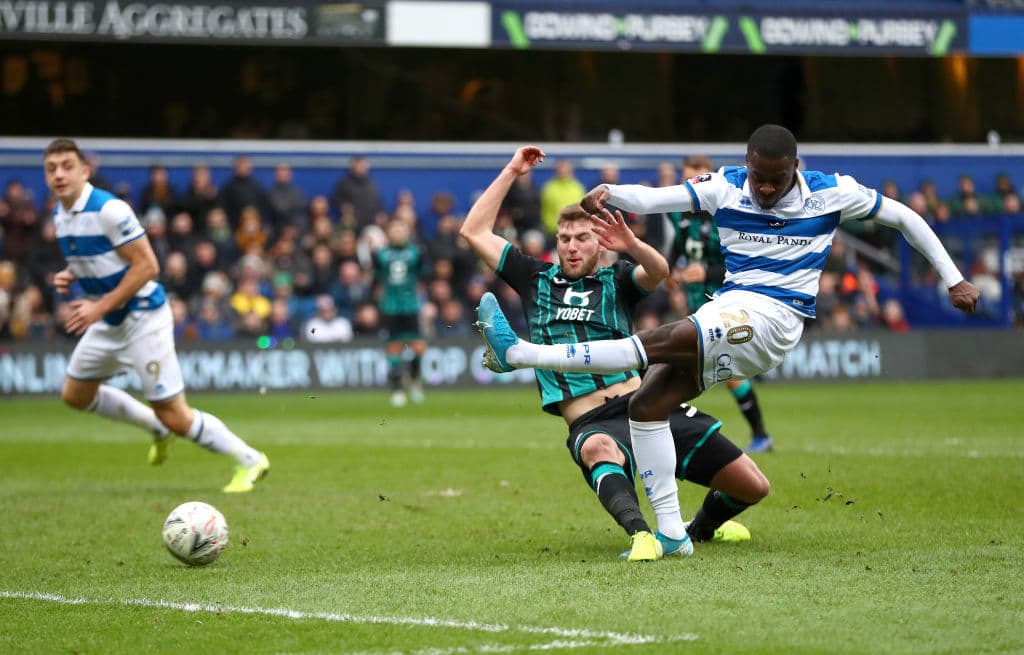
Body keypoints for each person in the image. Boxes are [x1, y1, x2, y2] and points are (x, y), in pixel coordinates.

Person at [476, 126, 980, 559]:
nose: (763, 187)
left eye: (776, 179)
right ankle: (674, 535)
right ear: (746, 164)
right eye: (757, 175)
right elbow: (656, 197)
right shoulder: (727, 185)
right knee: (649, 403)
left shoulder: (833, 192)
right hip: (729, 306)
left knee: (670, 337)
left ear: (796, 168)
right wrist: (610, 190)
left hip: (776, 317)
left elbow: (906, 218)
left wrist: (953, 277)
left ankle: (523, 354)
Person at [461, 146, 769, 561]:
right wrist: (512, 170)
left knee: (752, 486)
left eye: (583, 237)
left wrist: (633, 244)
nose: (572, 246)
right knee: (596, 450)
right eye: (565, 238)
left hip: (647, 403)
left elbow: (659, 272)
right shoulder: (534, 278)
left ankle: (695, 530)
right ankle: (642, 534)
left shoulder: (617, 280)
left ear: (600, 243)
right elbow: (474, 232)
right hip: (592, 418)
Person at [43, 138, 270, 493]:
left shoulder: (109, 210)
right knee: (75, 394)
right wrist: (72, 274)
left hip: (142, 318)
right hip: (110, 320)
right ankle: (156, 427)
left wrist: (98, 307)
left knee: (176, 415)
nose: (59, 174)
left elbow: (148, 265)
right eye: (51, 168)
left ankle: (250, 459)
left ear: (85, 171)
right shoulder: (61, 213)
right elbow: (101, 256)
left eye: (67, 166)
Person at [676, 155, 774, 453]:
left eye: (695, 176)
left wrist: (707, 272)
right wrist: (668, 268)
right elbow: (676, 245)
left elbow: (745, 263)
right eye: (686, 176)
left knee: (716, 368)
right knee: (716, 369)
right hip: (696, 298)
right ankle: (758, 435)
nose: (690, 182)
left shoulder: (726, 214)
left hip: (725, 298)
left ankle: (758, 434)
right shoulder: (680, 213)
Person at [374, 217, 427, 407]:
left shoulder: (416, 252)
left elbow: (423, 275)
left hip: (411, 305)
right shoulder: (381, 254)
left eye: (401, 229)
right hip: (390, 306)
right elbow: (376, 279)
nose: (398, 233)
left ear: (407, 232)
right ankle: (397, 389)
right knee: (394, 347)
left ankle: (414, 381)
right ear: (388, 233)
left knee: (418, 346)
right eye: (394, 229)